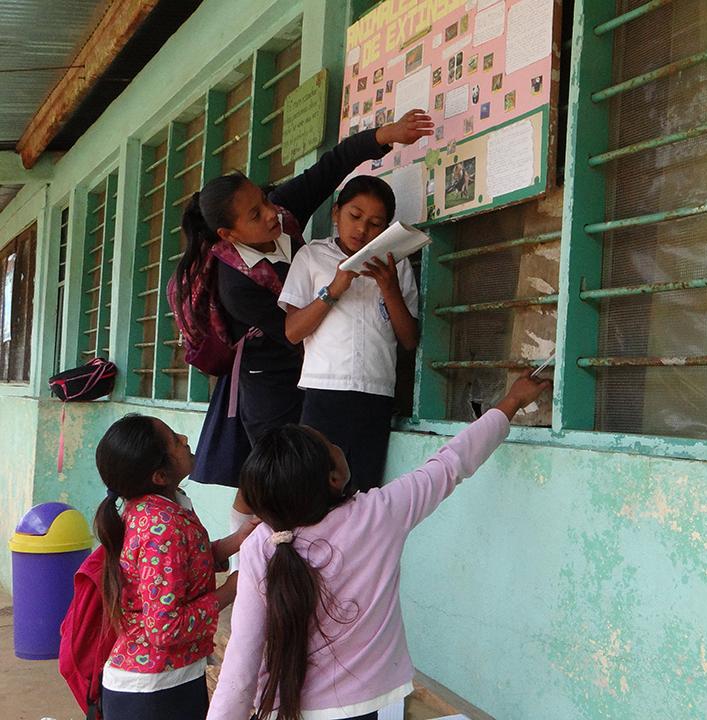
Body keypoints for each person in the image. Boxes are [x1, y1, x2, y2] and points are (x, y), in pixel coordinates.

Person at [206, 373, 551, 720]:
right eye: (329, 443)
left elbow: (241, 664)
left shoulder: (261, 545)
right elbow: (450, 464)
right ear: (334, 477)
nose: (336, 444)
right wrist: (511, 403)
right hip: (359, 709)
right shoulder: (378, 514)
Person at [173, 111, 433, 531]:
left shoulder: (283, 211)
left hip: (328, 371)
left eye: (263, 200)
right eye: (255, 216)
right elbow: (291, 332)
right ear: (230, 235)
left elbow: (333, 165)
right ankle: (250, 555)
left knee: (332, 479)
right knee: (277, 477)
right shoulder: (237, 283)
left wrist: (388, 135)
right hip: (271, 373)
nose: (270, 214)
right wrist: (335, 291)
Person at [92, 414, 258, 720]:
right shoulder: (161, 527)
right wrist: (231, 590)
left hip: (163, 681)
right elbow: (164, 628)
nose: (184, 439)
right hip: (154, 693)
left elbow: (179, 566)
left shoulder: (152, 510)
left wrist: (237, 540)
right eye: (174, 441)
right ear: (159, 476)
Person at [279, 175, 418, 491]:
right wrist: (335, 288)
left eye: (375, 223)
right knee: (314, 488)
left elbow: (409, 339)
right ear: (336, 212)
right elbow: (293, 331)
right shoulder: (312, 257)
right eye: (355, 216)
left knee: (364, 490)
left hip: (376, 393)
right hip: (324, 391)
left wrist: (389, 287)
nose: (362, 229)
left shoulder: (396, 264)